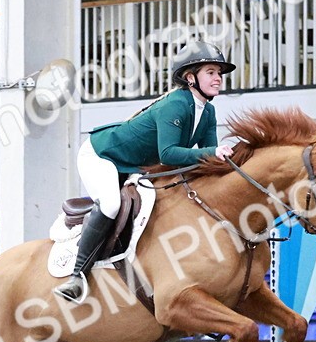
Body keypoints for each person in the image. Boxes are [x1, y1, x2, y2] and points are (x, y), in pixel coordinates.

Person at [53, 40, 237, 304]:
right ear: (190, 77)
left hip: (136, 165)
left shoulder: (208, 111)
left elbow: (207, 155)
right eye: (211, 72)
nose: (218, 78)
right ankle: (77, 277)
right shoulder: (175, 105)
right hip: (102, 155)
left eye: (219, 73)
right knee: (111, 204)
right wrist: (213, 152)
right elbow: (169, 154)